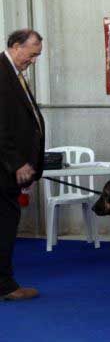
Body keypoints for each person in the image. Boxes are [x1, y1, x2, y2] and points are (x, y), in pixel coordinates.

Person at [0, 29, 45, 301]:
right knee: (5, 224)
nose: (34, 60)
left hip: (6, 168)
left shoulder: (12, 73)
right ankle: (5, 285)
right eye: (32, 54)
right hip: (4, 170)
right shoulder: (1, 74)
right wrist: (17, 162)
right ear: (16, 46)